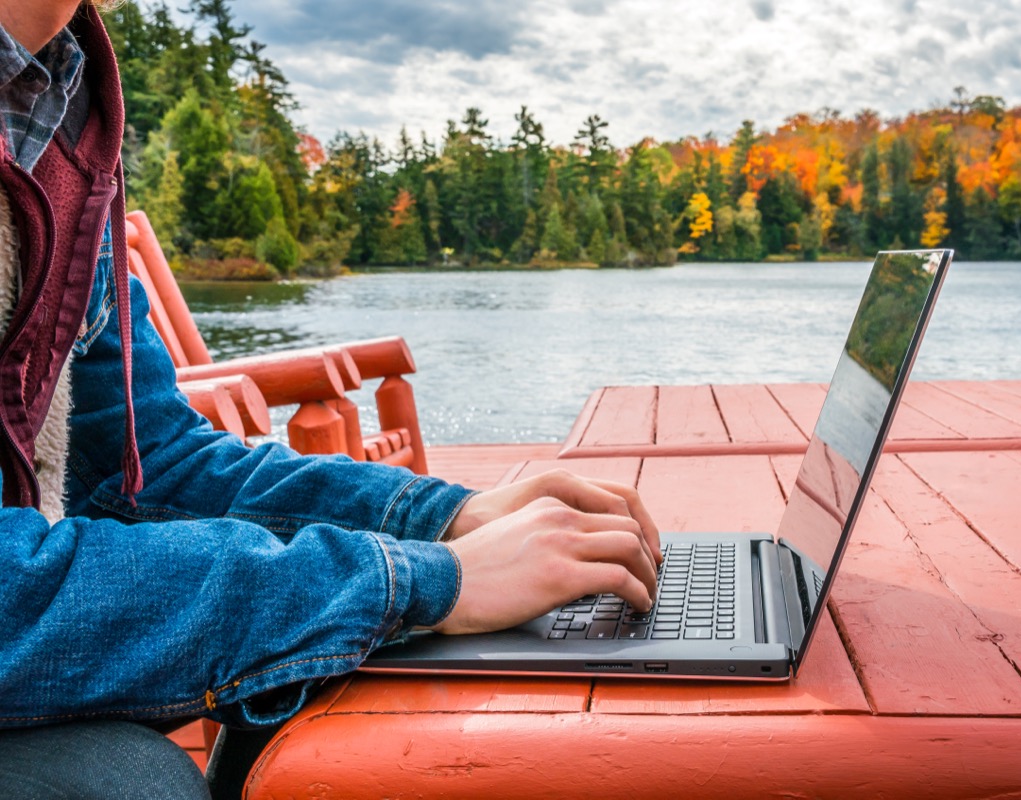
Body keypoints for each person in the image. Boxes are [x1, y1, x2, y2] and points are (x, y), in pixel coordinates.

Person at [0, 2, 661, 797]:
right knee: (128, 783)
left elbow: (145, 470)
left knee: (324, 695)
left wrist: (445, 519)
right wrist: (418, 579)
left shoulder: (64, 113)